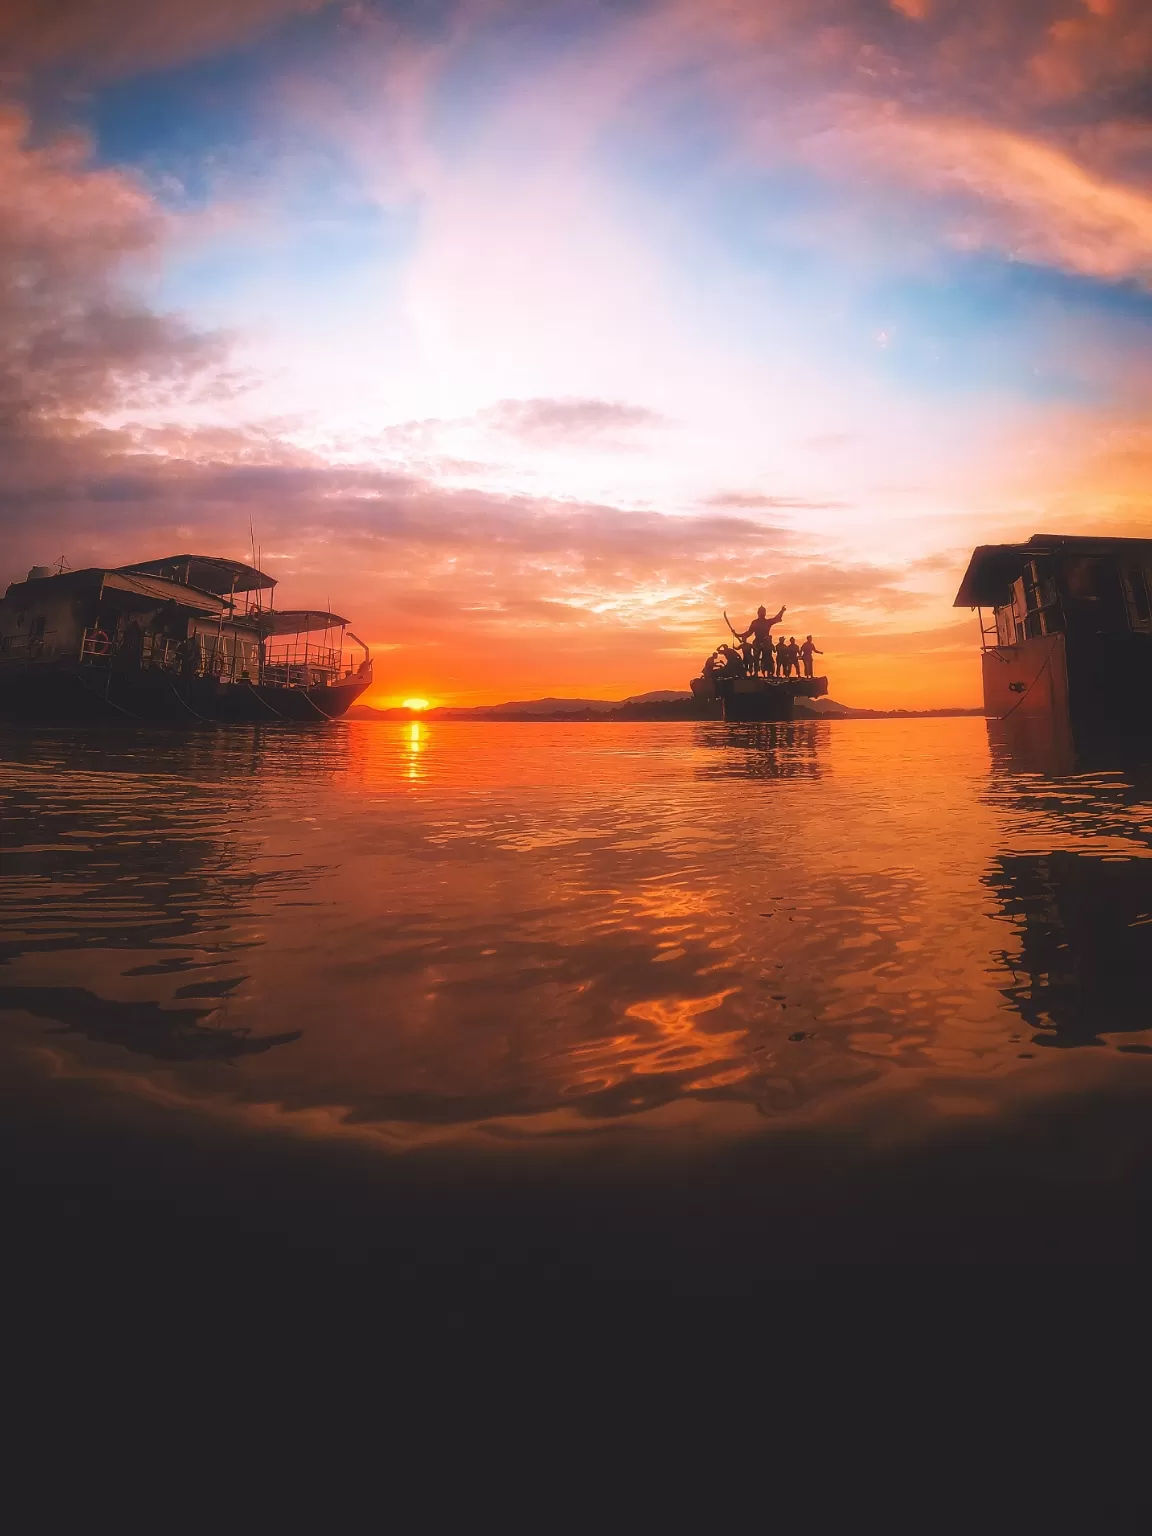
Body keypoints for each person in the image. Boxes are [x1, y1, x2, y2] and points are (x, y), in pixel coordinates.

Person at [738, 604, 786, 675]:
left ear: (765, 613)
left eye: (763, 612)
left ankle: (768, 672)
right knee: (756, 657)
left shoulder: (767, 622)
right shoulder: (755, 622)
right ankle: (756, 672)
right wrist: (738, 634)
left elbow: (776, 618)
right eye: (761, 612)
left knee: (767, 657)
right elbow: (749, 632)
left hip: (766, 642)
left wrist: (782, 611)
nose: (762, 613)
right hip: (757, 641)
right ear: (758, 613)